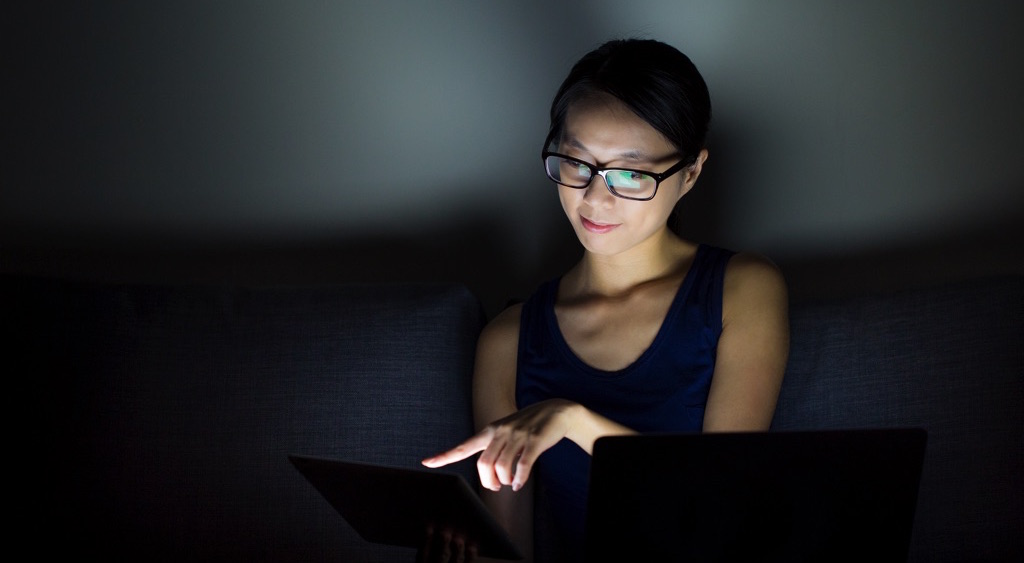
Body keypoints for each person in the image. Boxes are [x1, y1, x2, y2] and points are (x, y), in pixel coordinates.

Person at [421, 38, 789, 562]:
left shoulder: (742, 288)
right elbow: (511, 550)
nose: (594, 199)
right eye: (576, 163)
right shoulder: (508, 339)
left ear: (690, 173)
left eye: (631, 174)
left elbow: (719, 503)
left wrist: (575, 421)